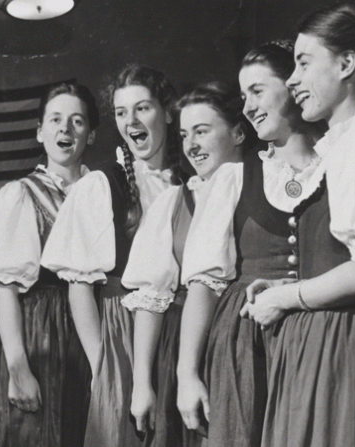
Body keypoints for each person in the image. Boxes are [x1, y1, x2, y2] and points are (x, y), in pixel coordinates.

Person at [240, 4, 355, 447]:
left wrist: (287, 296)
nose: (293, 80)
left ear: (347, 64)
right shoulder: (342, 145)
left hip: (351, 348)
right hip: (319, 346)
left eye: (304, 63)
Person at [175, 49, 322, 447]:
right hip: (248, 343)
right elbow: (203, 286)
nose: (249, 107)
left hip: (320, 336)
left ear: (294, 86)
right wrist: (186, 375)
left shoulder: (336, 165)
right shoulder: (235, 178)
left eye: (257, 91)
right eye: (244, 96)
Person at [41, 65, 184, 446]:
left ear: (167, 112)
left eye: (143, 109)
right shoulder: (103, 184)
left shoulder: (190, 178)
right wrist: (104, 365)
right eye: (121, 112)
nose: (131, 121)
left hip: (183, 331)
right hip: (124, 333)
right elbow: (78, 287)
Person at [122, 81, 245, 447]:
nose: (191, 145)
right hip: (181, 351)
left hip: (244, 341)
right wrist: (142, 384)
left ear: (238, 132)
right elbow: (150, 297)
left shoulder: (259, 186)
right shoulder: (173, 202)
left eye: (202, 132)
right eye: (185, 134)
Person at [0, 82, 97, 447]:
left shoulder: (101, 191)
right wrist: (18, 368)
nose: (65, 129)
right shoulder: (21, 194)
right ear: (40, 132)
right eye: (56, 120)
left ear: (90, 135)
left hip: (96, 330)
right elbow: (5, 290)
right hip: (42, 335)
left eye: (77, 121)